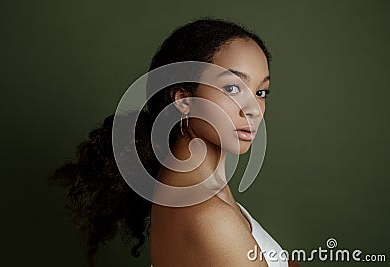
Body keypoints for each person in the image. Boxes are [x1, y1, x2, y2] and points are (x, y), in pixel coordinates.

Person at [52, 17, 299, 267]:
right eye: (233, 88)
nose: (254, 109)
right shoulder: (208, 216)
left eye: (261, 92)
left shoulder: (204, 191)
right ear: (183, 99)